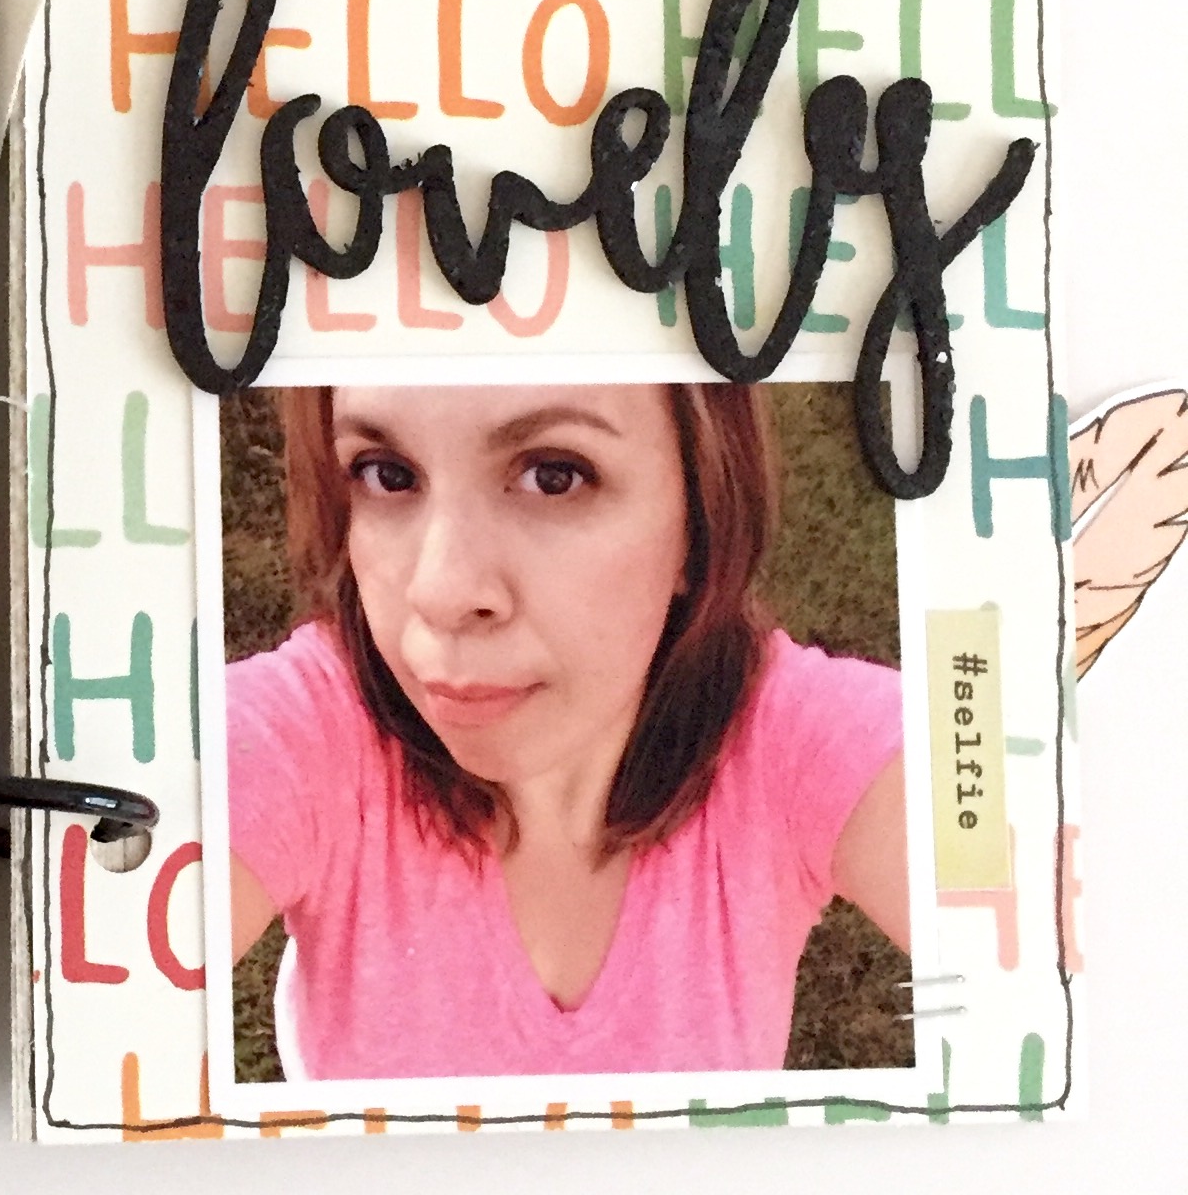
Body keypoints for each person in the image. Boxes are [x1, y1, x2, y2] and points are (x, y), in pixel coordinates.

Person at [225, 382, 908, 1081]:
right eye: (387, 475)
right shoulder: (312, 734)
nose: (441, 592)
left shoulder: (787, 745)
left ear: (699, 514)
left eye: (554, 476)